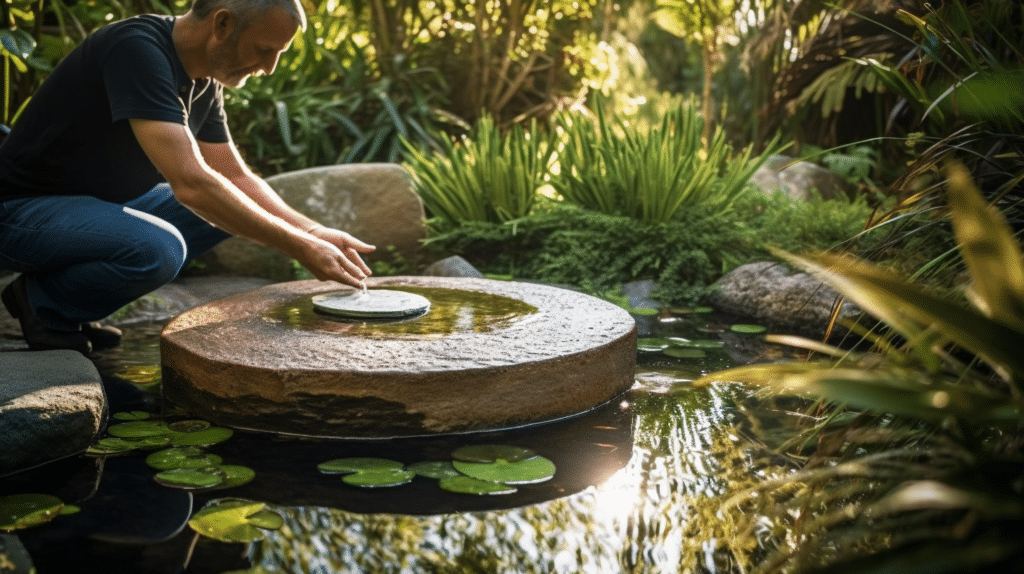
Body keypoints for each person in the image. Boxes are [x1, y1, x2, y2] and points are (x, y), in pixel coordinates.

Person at [0, 0, 375, 355]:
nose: (269, 67)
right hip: (19, 212)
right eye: (264, 49)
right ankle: (43, 304)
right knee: (158, 249)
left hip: (95, 207)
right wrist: (298, 248)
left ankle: (67, 304)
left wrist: (312, 232)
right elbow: (192, 184)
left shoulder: (204, 80)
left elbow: (235, 177)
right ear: (223, 23)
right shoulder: (136, 49)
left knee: (230, 208)